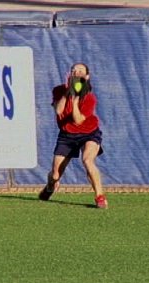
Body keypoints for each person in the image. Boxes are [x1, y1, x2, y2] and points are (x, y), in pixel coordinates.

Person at [38, 63, 108, 209]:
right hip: (67, 135)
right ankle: (50, 187)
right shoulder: (58, 90)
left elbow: (78, 120)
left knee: (88, 161)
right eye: (74, 70)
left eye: (80, 71)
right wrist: (68, 93)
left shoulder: (89, 98)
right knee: (56, 175)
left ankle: (100, 197)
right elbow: (58, 111)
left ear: (86, 77)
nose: (76, 73)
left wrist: (76, 101)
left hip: (89, 133)